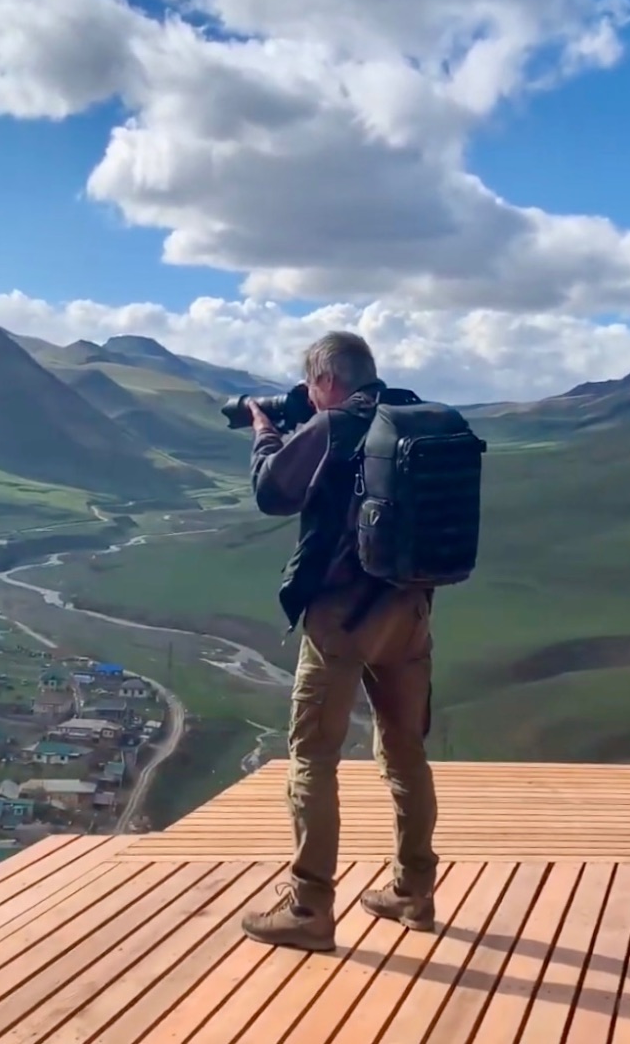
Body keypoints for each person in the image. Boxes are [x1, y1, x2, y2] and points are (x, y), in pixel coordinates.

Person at [237, 330, 440, 952]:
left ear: (325, 379)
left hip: (341, 619)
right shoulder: (416, 417)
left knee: (313, 757)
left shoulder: (333, 427)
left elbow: (273, 491)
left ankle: (308, 907)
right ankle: (413, 891)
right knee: (406, 754)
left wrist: (265, 430)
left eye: (309, 384)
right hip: (410, 612)